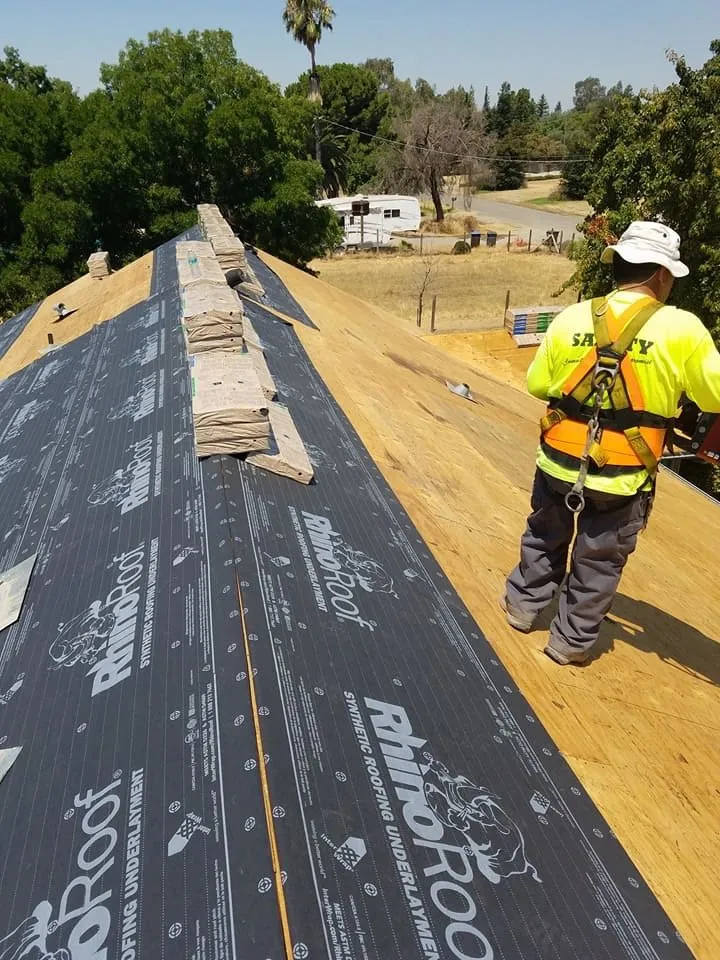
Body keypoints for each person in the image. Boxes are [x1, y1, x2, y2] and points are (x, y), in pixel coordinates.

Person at [503, 221, 720, 665]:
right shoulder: (683, 329)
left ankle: (522, 608)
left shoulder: (573, 316)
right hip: (622, 477)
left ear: (619, 264)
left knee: (544, 535)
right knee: (598, 561)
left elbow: (538, 382)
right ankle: (568, 644)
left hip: (558, 462)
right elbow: (713, 395)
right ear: (662, 275)